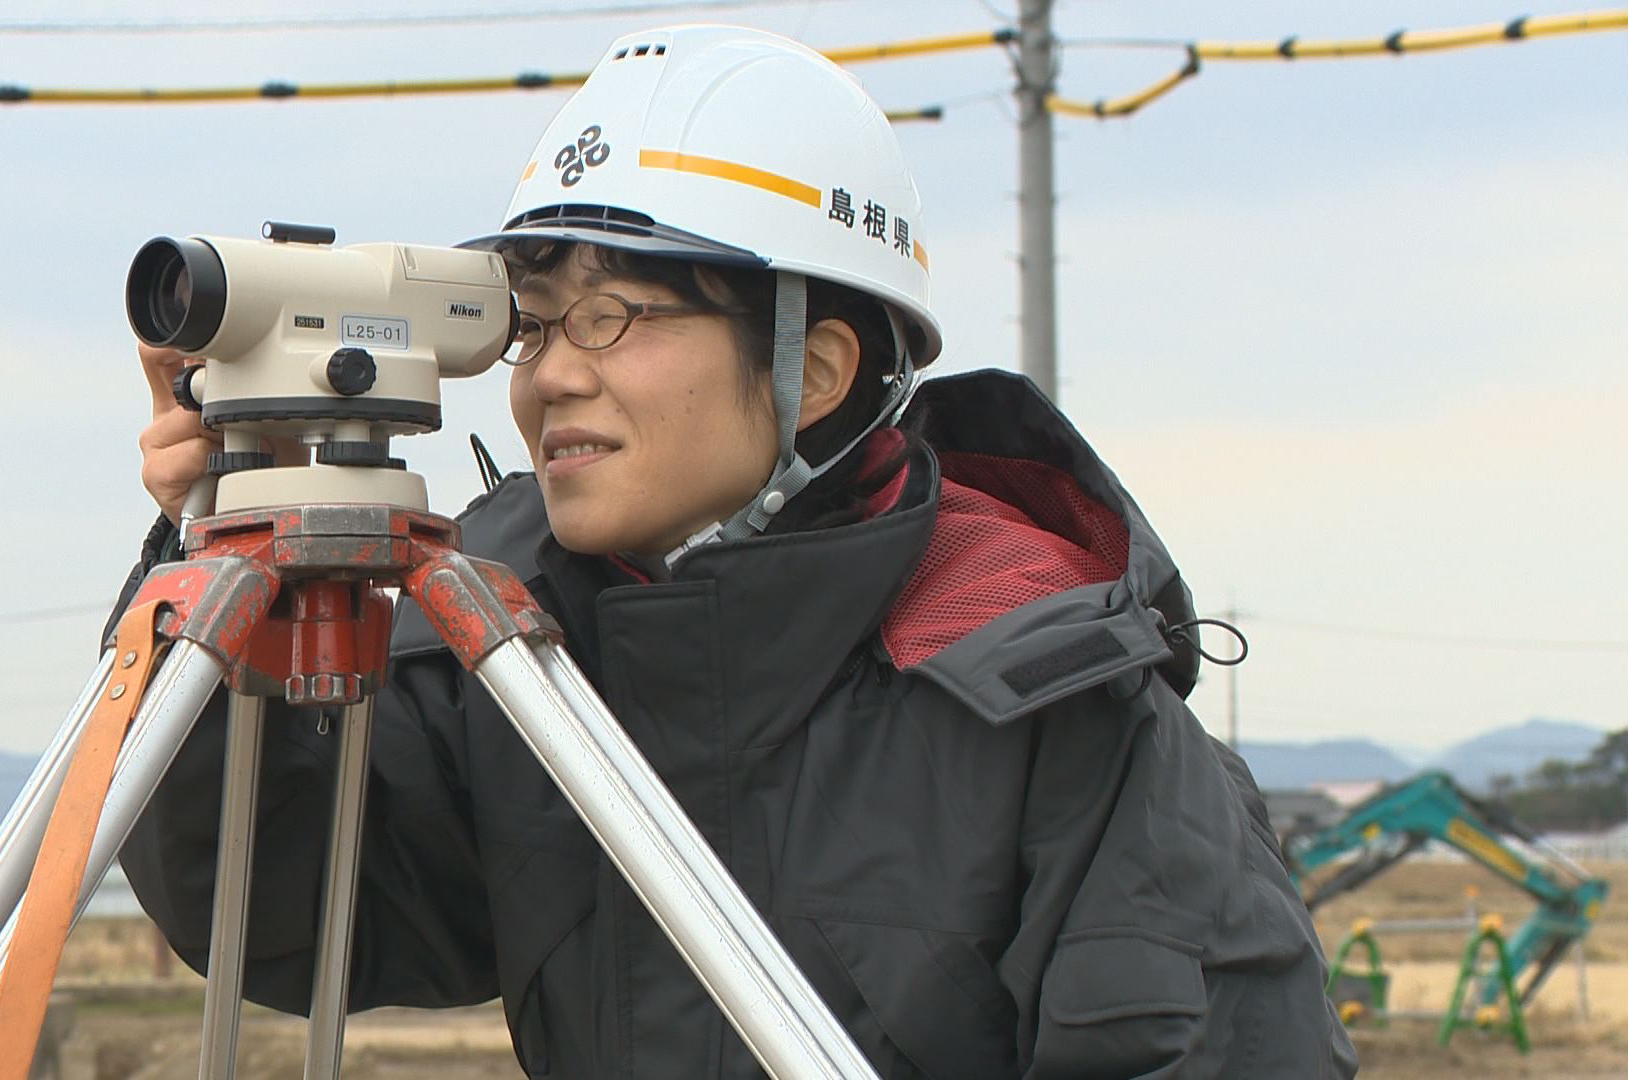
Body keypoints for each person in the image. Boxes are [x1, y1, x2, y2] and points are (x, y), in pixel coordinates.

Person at [115, 24, 1359, 1079]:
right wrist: (218, 551)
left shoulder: (1045, 691)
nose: (552, 376)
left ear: (812, 368)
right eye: (535, 324)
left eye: (612, 315)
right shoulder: (517, 638)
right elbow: (278, 913)